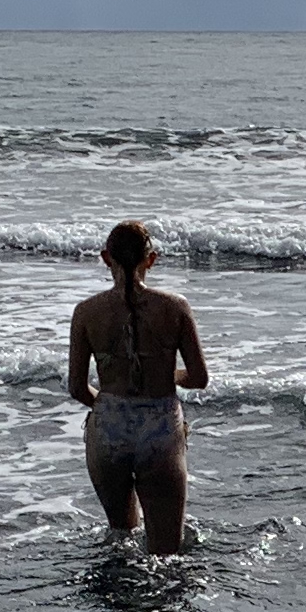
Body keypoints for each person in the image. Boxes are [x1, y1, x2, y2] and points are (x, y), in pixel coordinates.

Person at [67, 219, 209, 553]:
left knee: (121, 541)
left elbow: (77, 387)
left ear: (106, 258)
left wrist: (108, 403)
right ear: (152, 259)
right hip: (159, 427)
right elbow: (199, 378)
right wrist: (161, 374)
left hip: (108, 427)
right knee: (166, 552)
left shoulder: (86, 312)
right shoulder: (174, 308)